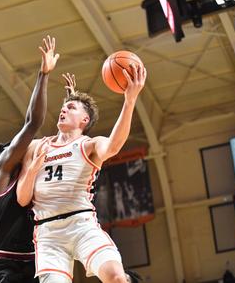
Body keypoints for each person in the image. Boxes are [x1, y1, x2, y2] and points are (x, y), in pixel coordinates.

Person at [17, 63, 147, 283]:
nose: (64, 109)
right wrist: (32, 171)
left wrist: (130, 99)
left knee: (116, 277)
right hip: (48, 234)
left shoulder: (89, 146)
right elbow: (22, 199)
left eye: (72, 108)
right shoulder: (36, 147)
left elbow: (114, 146)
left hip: (82, 225)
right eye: (64, 107)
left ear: (85, 121)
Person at [0, 35, 59, 283]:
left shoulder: (32, 181)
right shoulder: (1, 180)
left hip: (33, 262)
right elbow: (33, 123)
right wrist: (44, 74)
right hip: (3, 265)